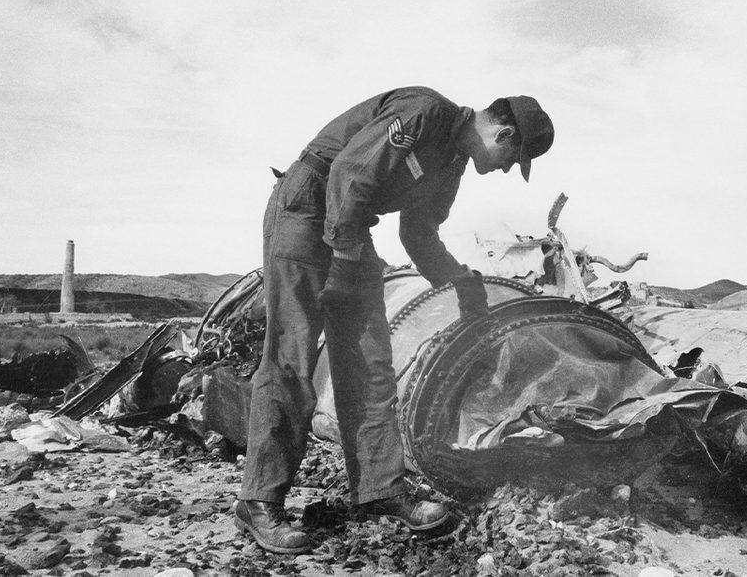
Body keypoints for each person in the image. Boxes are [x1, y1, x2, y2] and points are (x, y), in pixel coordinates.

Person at [233, 86, 554, 554]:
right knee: (291, 358)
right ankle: (258, 500)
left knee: (368, 359)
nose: (505, 169)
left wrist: (461, 282)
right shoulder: (425, 113)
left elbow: (419, 232)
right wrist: (343, 261)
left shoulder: (451, 164)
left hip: (350, 227)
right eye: (512, 159)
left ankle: (380, 489)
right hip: (307, 206)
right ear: (503, 133)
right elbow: (348, 174)